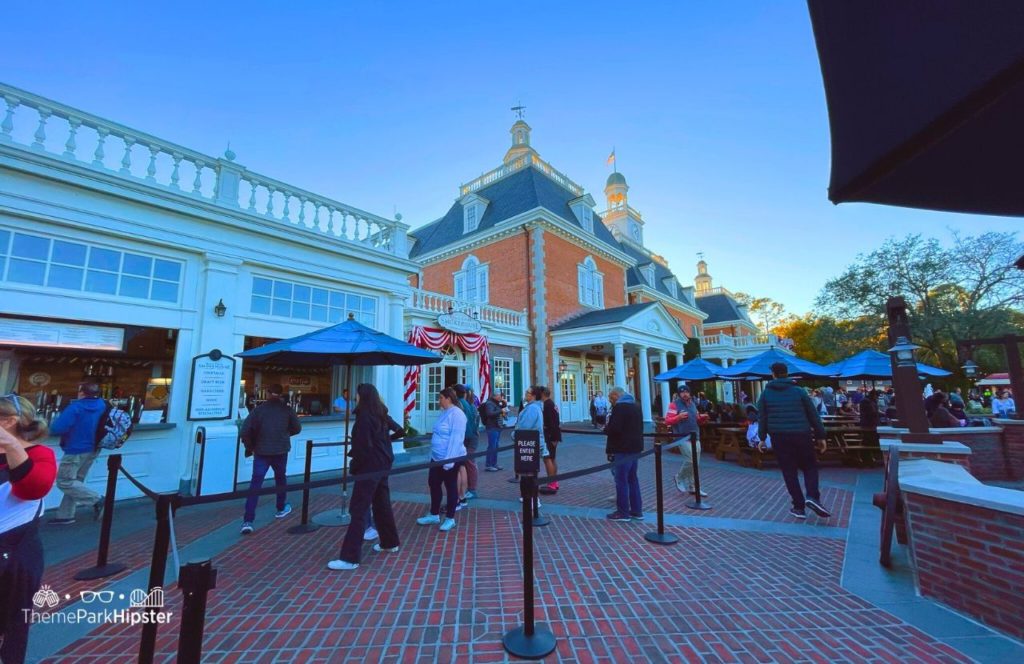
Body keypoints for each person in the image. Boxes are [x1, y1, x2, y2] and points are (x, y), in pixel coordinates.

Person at [1, 395, 57, 664]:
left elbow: (33, 488)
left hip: (15, 554)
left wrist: (12, 446)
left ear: (8, 422)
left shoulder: (40, 455)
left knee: (12, 623)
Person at [327, 384, 402, 571]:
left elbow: (362, 449)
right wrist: (384, 443)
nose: (356, 399)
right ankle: (389, 542)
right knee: (381, 504)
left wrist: (356, 467)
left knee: (358, 509)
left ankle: (350, 557)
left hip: (369, 468)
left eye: (357, 395)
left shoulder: (364, 419)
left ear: (363, 397)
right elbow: (400, 430)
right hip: (383, 464)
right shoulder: (381, 414)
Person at [756, 362, 831, 520]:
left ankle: (798, 506)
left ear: (773, 374)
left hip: (779, 436)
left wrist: (762, 438)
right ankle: (812, 496)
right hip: (801, 433)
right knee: (810, 466)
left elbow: (762, 417)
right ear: (787, 373)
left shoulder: (766, 394)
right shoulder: (799, 391)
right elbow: (813, 415)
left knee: (789, 471)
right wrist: (821, 436)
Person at [239, 384, 300, 534]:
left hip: (262, 451)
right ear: (280, 395)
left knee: (256, 484)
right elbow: (297, 428)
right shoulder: (286, 410)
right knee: (280, 478)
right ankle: (280, 507)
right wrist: (284, 435)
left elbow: (245, 431)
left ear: (267, 393)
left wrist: (251, 446)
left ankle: (248, 520)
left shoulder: (258, 411)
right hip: (280, 450)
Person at [48, 382, 108, 524]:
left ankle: (97, 500)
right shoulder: (102, 405)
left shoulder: (76, 407)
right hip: (93, 449)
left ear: (81, 392)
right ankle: (65, 515)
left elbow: (57, 428)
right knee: (76, 482)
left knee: (65, 482)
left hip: (75, 449)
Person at [416, 388, 466, 532]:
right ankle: (434, 513)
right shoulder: (443, 413)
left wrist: (449, 461)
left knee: (450, 486)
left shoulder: (457, 415)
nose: (439, 401)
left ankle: (450, 518)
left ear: (448, 398)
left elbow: (456, 439)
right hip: (436, 458)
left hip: (449, 458)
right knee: (433, 483)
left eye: (440, 398)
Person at [604, 386, 644, 522]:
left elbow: (615, 429)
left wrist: (606, 429)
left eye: (611, 397)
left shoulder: (620, 408)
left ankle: (623, 512)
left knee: (621, 480)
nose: (610, 400)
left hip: (622, 448)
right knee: (633, 479)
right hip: (635, 448)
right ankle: (637, 510)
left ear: (617, 395)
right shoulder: (636, 406)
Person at [665, 385, 706, 497]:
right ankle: (679, 477)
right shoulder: (674, 405)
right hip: (682, 437)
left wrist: (701, 418)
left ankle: (693, 486)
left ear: (689, 393)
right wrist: (678, 417)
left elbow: (696, 417)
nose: (685, 394)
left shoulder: (693, 404)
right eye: (682, 392)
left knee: (696, 464)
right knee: (690, 461)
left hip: (695, 436)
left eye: (686, 392)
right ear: (679, 394)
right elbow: (667, 421)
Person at [453, 384, 479, 507]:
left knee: (468, 464)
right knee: (465, 464)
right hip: (470, 437)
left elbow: (470, 423)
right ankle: (468, 489)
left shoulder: (463, 405)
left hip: (468, 438)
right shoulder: (469, 405)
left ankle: (471, 489)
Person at [538, 387, 562, 495]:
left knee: (548, 459)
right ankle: (554, 482)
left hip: (550, 436)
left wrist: (553, 438)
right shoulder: (551, 404)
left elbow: (552, 423)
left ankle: (551, 484)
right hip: (553, 435)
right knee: (552, 458)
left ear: (543, 394)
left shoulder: (547, 405)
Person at [480, 390, 506, 472]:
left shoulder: (496, 402)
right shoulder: (489, 403)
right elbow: (490, 413)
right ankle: (489, 465)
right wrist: (500, 411)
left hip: (497, 426)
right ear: (495, 396)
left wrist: (504, 403)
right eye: (499, 396)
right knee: (492, 446)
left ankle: (494, 463)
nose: (500, 397)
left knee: (496, 445)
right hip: (492, 427)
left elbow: (501, 407)